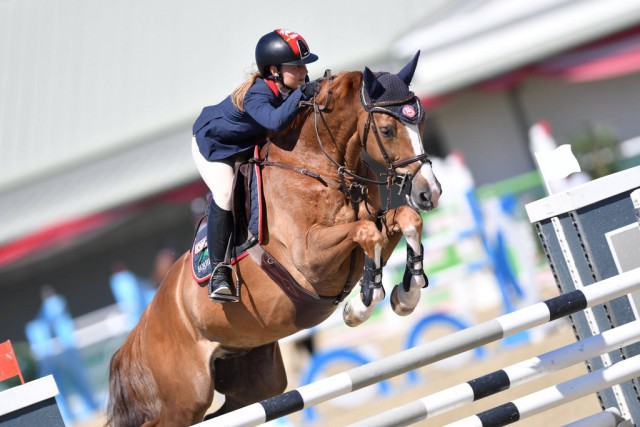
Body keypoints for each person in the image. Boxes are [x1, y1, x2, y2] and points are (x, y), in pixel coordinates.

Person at [192, 29, 320, 302]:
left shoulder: (288, 90)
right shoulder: (257, 93)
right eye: (295, 65)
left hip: (245, 144)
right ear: (274, 70)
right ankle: (219, 271)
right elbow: (274, 122)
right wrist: (303, 95)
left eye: (304, 65)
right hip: (213, 147)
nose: (303, 71)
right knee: (225, 193)